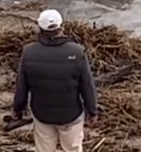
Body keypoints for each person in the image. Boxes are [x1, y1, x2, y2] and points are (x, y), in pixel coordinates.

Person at [12, 9, 99, 152]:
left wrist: (18, 109)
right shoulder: (77, 52)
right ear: (61, 26)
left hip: (42, 114)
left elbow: (22, 86)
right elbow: (87, 86)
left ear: (40, 28)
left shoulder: (29, 52)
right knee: (73, 149)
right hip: (71, 114)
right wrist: (92, 111)